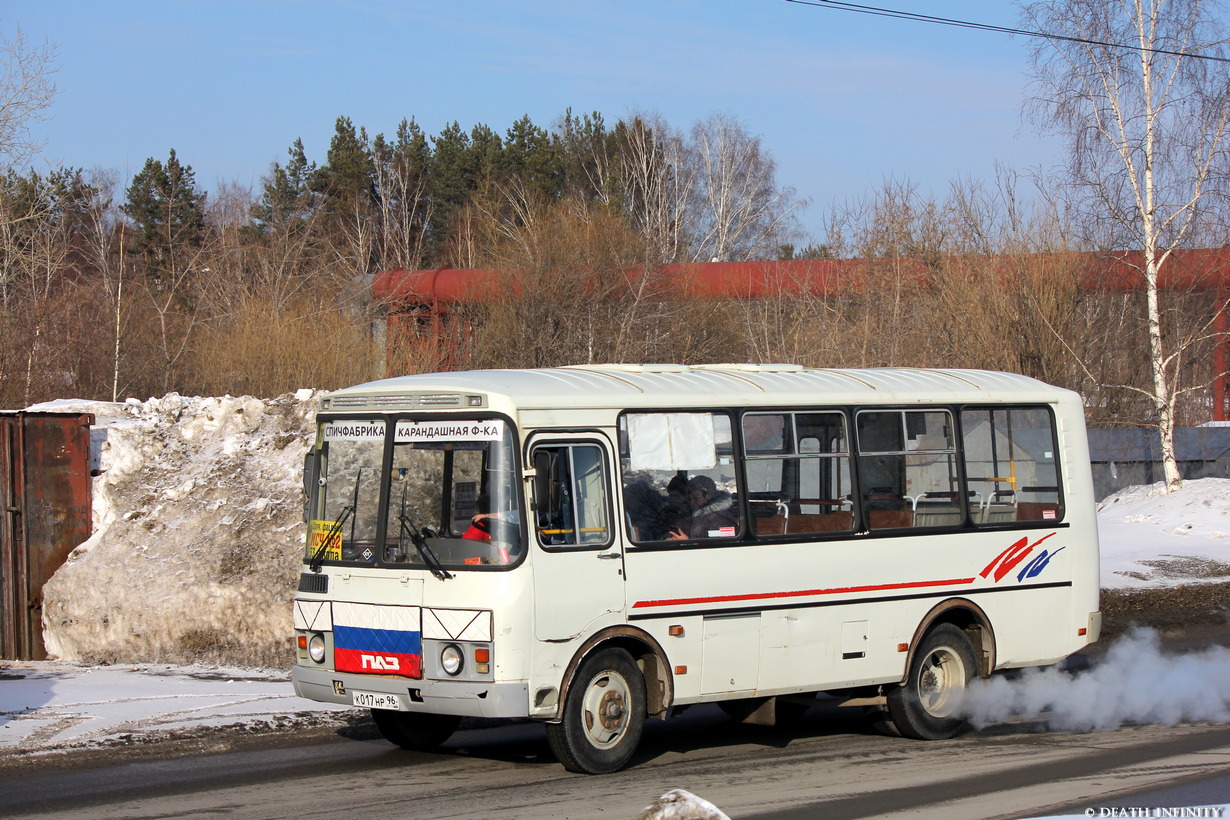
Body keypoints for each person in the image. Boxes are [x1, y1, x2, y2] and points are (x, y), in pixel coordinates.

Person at [667, 475, 738, 540]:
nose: (692, 501)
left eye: (696, 497)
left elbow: (721, 545)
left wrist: (688, 541)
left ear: (707, 495)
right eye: (690, 497)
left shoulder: (721, 519)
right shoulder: (696, 514)